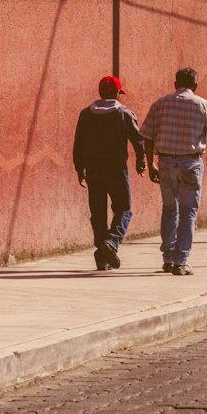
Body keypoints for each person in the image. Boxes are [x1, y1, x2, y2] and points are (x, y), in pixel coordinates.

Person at [140, 67, 207, 275]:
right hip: (191, 163)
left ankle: (168, 257)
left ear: (175, 83)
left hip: (166, 162)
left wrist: (151, 163)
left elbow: (148, 138)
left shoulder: (160, 105)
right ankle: (181, 261)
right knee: (188, 212)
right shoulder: (203, 105)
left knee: (169, 209)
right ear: (195, 85)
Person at [72, 75, 146, 270]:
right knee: (123, 208)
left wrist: (80, 169)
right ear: (117, 94)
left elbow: (78, 143)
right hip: (116, 167)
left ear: (100, 92)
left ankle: (102, 256)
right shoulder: (124, 113)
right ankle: (111, 242)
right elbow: (138, 140)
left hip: (93, 168)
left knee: (98, 211)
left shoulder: (86, 114)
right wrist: (141, 161)